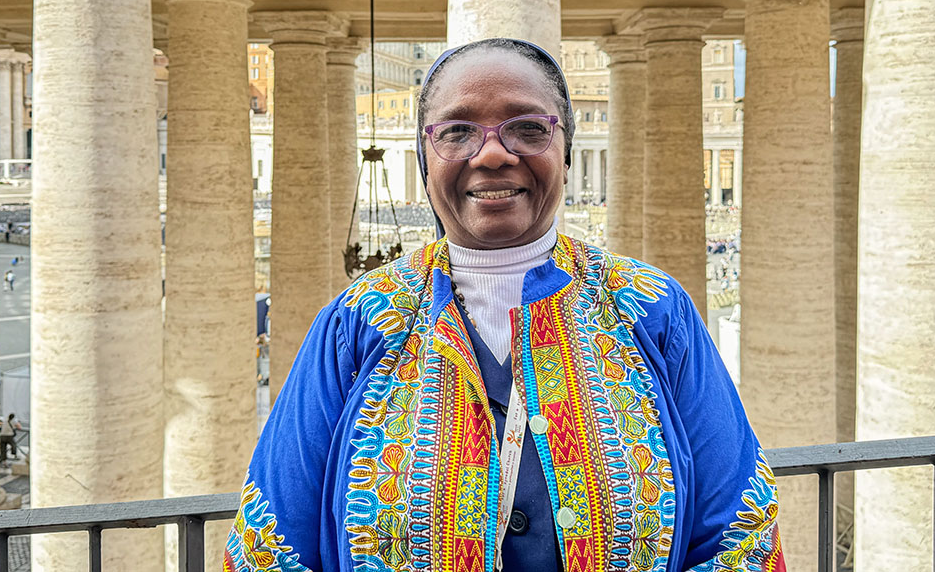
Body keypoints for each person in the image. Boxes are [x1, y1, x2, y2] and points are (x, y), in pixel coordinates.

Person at [225, 38, 785, 572]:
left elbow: (744, 539)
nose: (492, 153)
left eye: (526, 128)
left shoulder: (653, 310)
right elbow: (267, 547)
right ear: (426, 159)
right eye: (459, 131)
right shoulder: (356, 323)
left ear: (565, 151)